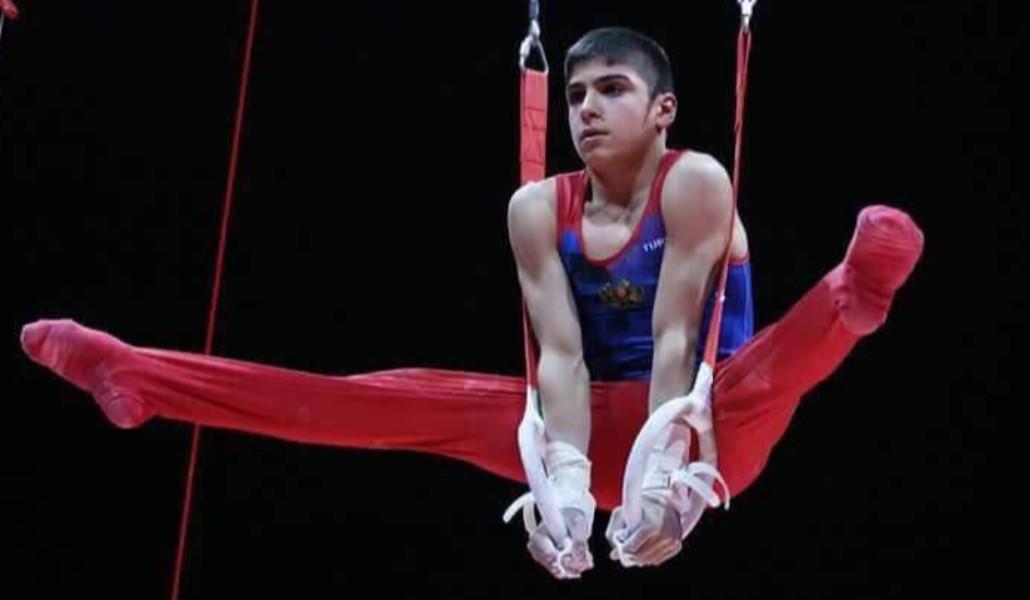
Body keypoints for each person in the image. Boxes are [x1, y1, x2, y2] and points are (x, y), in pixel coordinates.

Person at [19, 26, 924, 582]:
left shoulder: (696, 183)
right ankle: (135, 376)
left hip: (701, 425)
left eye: (612, 89)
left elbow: (679, 338)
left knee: (762, 374)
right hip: (574, 420)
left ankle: (855, 291)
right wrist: (564, 491)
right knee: (380, 400)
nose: (586, 109)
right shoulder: (537, 208)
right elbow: (559, 355)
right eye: (575, 94)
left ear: (664, 110)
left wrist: (664, 495)